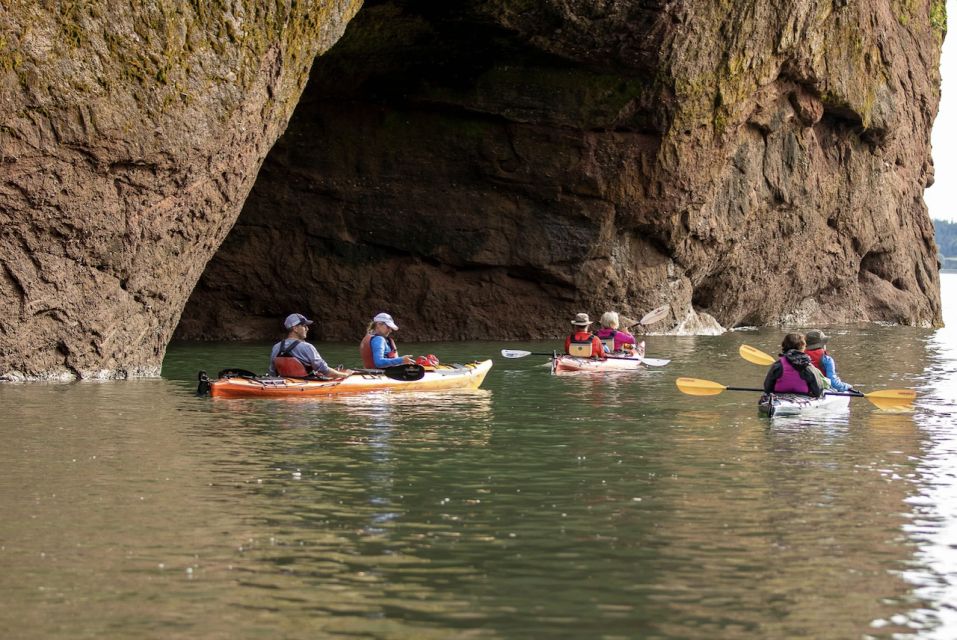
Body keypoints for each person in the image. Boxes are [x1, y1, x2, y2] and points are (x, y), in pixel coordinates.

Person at [269, 313, 352, 379]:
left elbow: (272, 372)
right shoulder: (307, 347)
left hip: (285, 383)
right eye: (304, 326)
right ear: (295, 329)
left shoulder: (276, 347)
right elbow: (325, 370)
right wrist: (344, 375)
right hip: (305, 386)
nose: (307, 329)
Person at [763, 332, 824, 397]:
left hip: (779, 396)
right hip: (803, 396)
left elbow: (767, 387)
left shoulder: (778, 365)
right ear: (803, 346)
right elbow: (818, 390)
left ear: (784, 345)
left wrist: (769, 393)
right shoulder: (807, 365)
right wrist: (814, 394)